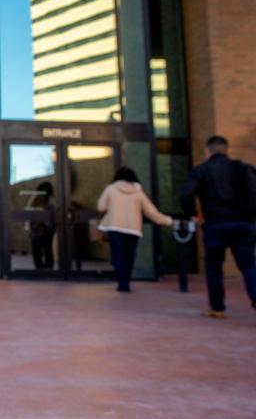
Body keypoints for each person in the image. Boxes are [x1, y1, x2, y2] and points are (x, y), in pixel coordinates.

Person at [180, 135, 256, 319]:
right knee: (248, 265)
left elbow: (186, 195)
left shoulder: (201, 171)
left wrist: (193, 214)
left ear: (209, 150)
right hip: (242, 223)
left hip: (215, 224)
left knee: (214, 266)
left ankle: (217, 308)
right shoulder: (243, 169)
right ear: (226, 149)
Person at [98, 167, 173, 292]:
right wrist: (168, 221)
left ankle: (122, 283)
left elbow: (101, 207)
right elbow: (150, 212)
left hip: (114, 227)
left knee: (118, 255)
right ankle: (127, 280)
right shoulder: (139, 192)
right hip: (133, 229)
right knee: (129, 256)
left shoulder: (110, 189)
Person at [29, 182, 55, 269]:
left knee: (40, 250)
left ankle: (42, 268)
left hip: (42, 229)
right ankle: (46, 268)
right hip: (41, 229)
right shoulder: (39, 198)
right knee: (46, 250)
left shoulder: (42, 199)